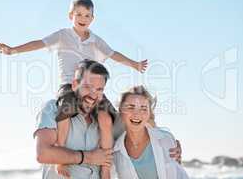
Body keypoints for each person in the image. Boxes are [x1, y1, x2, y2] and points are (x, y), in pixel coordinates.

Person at [0, 0, 148, 178]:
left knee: (107, 118)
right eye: (79, 15)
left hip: (92, 87)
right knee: (65, 112)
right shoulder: (62, 35)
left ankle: (106, 166)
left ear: (92, 18)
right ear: (71, 16)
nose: (82, 19)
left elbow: (114, 54)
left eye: (87, 15)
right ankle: (61, 157)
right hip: (69, 86)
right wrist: (13, 50)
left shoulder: (96, 40)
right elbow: (39, 43)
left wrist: (134, 65)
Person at [34, 60, 182, 179]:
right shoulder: (52, 109)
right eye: (88, 87)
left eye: (99, 90)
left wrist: (168, 146)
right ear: (74, 85)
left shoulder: (105, 119)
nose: (93, 95)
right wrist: (88, 157)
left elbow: (140, 130)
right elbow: (43, 153)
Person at [113, 85, 189, 179]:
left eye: (143, 108)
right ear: (120, 110)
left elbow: (178, 173)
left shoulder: (165, 140)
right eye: (131, 107)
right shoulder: (116, 151)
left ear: (149, 113)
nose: (137, 114)